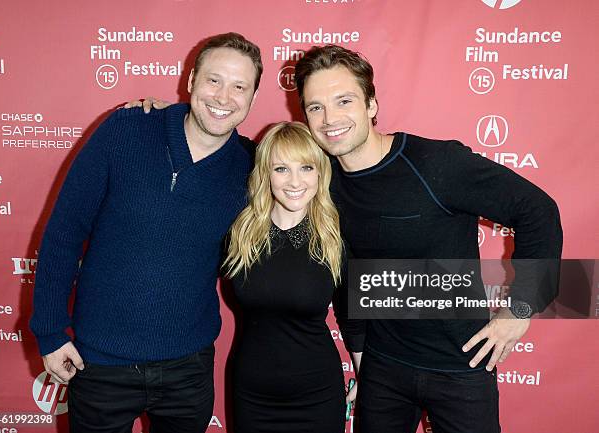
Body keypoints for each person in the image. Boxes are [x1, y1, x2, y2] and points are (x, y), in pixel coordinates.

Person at [294, 45, 563, 433]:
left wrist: (520, 309)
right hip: (383, 368)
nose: (329, 118)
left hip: (462, 367)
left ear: (371, 105)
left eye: (344, 100)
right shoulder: (327, 182)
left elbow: (538, 211)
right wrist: (358, 348)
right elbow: (349, 269)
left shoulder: (435, 165)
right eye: (315, 106)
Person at [30, 32, 262, 433]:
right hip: (99, 363)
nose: (224, 97)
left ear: (253, 98)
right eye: (214, 80)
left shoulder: (252, 168)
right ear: (190, 81)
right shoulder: (126, 129)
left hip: (187, 371)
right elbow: (64, 232)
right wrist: (50, 331)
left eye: (239, 86)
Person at [222, 121, 364, 433]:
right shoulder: (239, 234)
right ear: (265, 175)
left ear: (320, 172)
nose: (295, 181)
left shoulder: (334, 238)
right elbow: (213, 133)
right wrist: (173, 113)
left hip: (317, 396)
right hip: (252, 396)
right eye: (281, 169)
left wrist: (364, 374)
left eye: (306, 167)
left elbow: (352, 317)